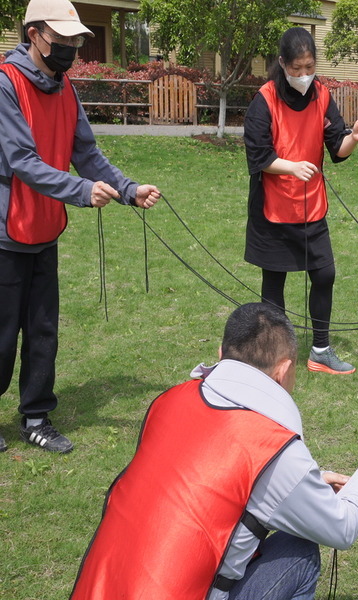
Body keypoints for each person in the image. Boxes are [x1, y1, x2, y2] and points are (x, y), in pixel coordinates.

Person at [70, 302, 358, 600]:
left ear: (221, 353)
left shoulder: (168, 401)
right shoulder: (272, 445)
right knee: (300, 553)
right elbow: (343, 528)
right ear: (285, 370)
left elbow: (203, 478)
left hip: (98, 588)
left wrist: (311, 479)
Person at [0, 0, 160, 454]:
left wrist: (128, 190)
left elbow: (87, 154)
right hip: (6, 232)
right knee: (1, 333)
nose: (69, 48)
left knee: (43, 329)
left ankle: (35, 416)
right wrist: (80, 190)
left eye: (74, 40)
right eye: (61, 39)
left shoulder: (65, 89)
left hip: (44, 228)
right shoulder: (5, 85)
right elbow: (22, 161)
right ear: (34, 34)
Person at [243, 27, 358, 375]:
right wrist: (291, 166)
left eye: (309, 67)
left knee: (324, 273)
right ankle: (276, 352)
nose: (303, 75)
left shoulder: (322, 97)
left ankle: (321, 351)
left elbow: (337, 147)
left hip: (311, 206)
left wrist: (354, 138)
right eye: (296, 68)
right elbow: (259, 156)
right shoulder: (264, 100)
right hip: (273, 208)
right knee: (275, 284)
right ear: (282, 63)